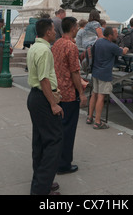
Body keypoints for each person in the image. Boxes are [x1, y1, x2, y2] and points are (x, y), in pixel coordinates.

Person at [26, 19, 63, 195]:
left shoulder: (34, 47)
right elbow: (44, 79)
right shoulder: (45, 50)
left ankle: (41, 182)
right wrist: (54, 104)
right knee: (53, 142)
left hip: (35, 97)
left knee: (40, 141)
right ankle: (41, 188)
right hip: (43, 98)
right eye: (54, 30)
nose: (55, 32)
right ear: (48, 32)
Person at [52, 17, 87, 174]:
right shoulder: (71, 47)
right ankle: (64, 163)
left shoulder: (57, 44)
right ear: (73, 28)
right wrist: (81, 92)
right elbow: (74, 72)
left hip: (57, 92)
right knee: (68, 130)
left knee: (58, 129)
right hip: (69, 93)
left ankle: (56, 159)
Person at [87, 27, 128, 129]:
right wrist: (126, 49)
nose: (117, 36)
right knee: (101, 97)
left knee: (94, 94)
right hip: (104, 74)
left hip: (95, 71)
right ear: (110, 36)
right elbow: (122, 52)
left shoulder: (98, 42)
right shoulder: (112, 46)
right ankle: (97, 121)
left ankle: (90, 117)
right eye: (115, 34)